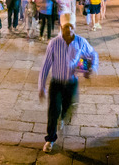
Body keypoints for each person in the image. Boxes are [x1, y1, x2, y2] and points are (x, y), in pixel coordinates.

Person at [39, 22, 98, 153]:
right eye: (66, 27)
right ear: (61, 28)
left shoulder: (80, 41)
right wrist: (41, 86)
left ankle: (63, 117)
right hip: (56, 83)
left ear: (74, 27)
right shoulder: (54, 43)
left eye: (71, 26)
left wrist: (91, 68)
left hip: (71, 83)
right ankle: (50, 139)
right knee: (53, 111)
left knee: (66, 108)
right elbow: (46, 65)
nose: (69, 29)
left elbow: (92, 54)